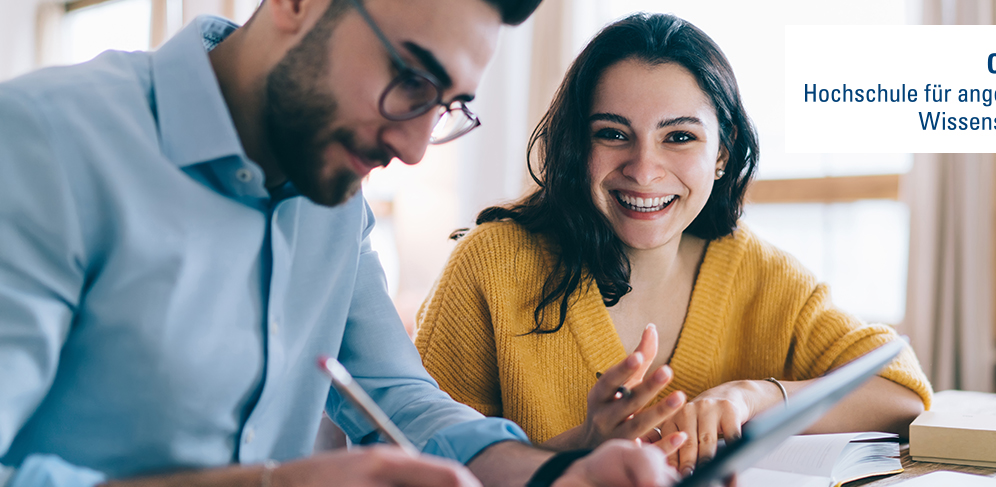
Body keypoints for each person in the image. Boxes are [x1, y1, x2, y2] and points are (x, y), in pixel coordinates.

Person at [0, 0, 685, 485]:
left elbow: (407, 406)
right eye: (410, 79)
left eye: (446, 104)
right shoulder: (42, 142)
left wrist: (564, 475)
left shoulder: (334, 200)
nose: (415, 147)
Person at [415, 12, 934, 476]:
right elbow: (414, 460)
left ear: (723, 152)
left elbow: (902, 388)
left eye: (680, 136)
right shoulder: (491, 266)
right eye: (612, 134)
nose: (643, 170)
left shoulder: (760, 274)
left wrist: (752, 395)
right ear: (577, 144)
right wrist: (581, 448)